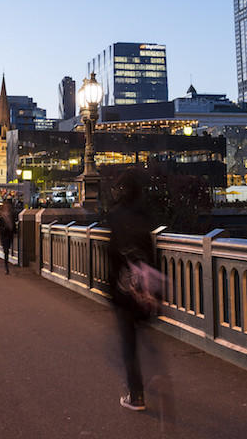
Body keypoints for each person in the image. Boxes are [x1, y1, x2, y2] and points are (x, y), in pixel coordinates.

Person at [107, 172, 158, 412]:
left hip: (125, 287)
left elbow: (112, 254)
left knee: (128, 344)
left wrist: (110, 288)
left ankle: (136, 395)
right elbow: (150, 250)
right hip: (145, 286)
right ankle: (153, 374)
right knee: (140, 333)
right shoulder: (143, 214)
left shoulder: (116, 215)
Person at [0, 200, 16, 274]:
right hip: (4, 235)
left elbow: (14, 224)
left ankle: (7, 265)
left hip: (10, 234)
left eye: (8, 206)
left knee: (7, 249)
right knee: (6, 251)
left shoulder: (12, 214)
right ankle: (6, 267)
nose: (7, 207)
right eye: (6, 206)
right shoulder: (1, 216)